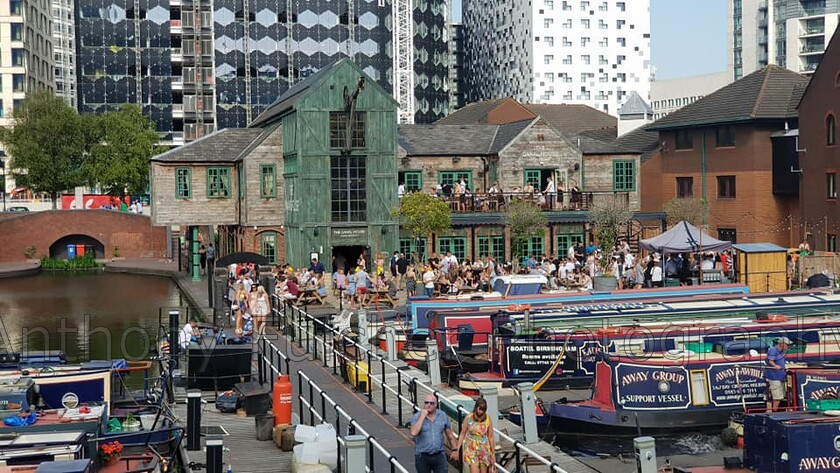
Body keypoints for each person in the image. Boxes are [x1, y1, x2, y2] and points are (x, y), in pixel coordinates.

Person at [410, 394, 458, 473]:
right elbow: (413, 432)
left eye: (431, 403)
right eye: (426, 403)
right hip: (422, 456)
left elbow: (449, 435)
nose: (428, 405)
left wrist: (455, 449)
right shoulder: (417, 417)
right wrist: (422, 417)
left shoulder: (442, 416)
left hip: (439, 455)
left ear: (436, 405)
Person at [451, 397, 495, 473]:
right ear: (476, 407)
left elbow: (490, 437)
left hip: (484, 449)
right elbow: (462, 434)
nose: (481, 411)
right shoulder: (468, 418)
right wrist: (457, 448)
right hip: (471, 449)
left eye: (483, 409)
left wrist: (493, 453)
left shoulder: (488, 419)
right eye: (480, 409)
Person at [765, 336, 790, 412]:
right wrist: (776, 366)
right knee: (777, 397)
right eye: (787, 345)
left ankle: (774, 411)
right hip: (774, 377)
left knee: (780, 396)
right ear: (782, 344)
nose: (788, 347)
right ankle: (774, 413)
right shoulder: (773, 350)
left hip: (780, 377)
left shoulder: (781, 352)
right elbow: (770, 361)